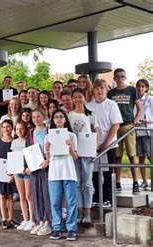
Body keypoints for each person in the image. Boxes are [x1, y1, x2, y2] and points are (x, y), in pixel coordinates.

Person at [86, 79, 122, 207]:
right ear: (93, 90)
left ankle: (108, 198)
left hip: (109, 145)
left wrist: (106, 143)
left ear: (106, 89)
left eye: (101, 88)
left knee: (107, 172)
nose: (99, 90)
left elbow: (116, 124)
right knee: (94, 172)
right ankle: (97, 197)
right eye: (96, 88)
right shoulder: (89, 106)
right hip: (93, 145)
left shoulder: (111, 104)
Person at [45, 109, 79, 241]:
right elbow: (47, 159)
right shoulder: (48, 136)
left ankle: (71, 229)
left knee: (71, 202)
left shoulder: (71, 136)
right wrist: (47, 149)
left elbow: (75, 157)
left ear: (65, 119)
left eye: (61, 117)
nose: (59, 119)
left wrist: (70, 147)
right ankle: (57, 228)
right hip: (54, 173)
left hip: (69, 172)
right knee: (55, 202)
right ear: (53, 120)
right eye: (56, 117)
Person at [107, 68, 142, 194]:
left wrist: (135, 122)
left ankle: (136, 182)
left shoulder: (132, 90)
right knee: (118, 156)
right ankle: (117, 182)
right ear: (114, 78)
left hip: (128, 125)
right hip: (115, 126)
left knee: (132, 155)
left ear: (125, 77)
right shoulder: (111, 93)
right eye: (117, 77)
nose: (120, 79)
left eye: (122, 76)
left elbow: (139, 108)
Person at [68, 88, 98, 223]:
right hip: (74, 152)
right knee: (77, 182)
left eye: (80, 97)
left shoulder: (90, 115)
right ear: (72, 99)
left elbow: (96, 132)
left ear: (84, 97)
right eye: (75, 97)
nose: (78, 100)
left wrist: (94, 149)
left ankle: (88, 212)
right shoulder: (69, 115)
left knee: (87, 182)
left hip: (87, 153)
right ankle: (79, 211)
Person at [26, 110, 52, 236]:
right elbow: (27, 150)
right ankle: (40, 221)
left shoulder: (49, 131)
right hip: (34, 166)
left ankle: (48, 222)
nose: (36, 119)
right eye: (34, 117)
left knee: (46, 193)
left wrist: (49, 160)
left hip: (46, 164)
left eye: (38, 116)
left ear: (44, 117)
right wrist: (27, 166)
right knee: (36, 193)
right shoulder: (31, 132)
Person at [0, 119, 19, 229]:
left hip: (11, 171)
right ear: (1, 128)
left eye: (8, 127)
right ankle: (4, 219)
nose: (6, 129)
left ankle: (11, 218)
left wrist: (14, 174)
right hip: (0, 170)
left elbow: (16, 158)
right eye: (4, 127)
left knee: (10, 195)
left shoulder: (15, 141)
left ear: (12, 128)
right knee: (2, 195)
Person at [11, 121, 35, 231]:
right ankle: (25, 220)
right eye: (17, 129)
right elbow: (13, 157)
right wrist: (11, 169)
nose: (19, 131)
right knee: (21, 196)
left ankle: (32, 220)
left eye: (21, 129)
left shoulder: (29, 141)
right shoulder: (14, 142)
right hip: (18, 171)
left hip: (27, 171)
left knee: (29, 196)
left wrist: (29, 167)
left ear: (24, 129)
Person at [135, 79, 152, 190]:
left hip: (148, 131)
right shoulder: (135, 99)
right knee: (141, 157)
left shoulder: (150, 99)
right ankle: (145, 181)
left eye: (142, 86)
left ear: (146, 88)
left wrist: (147, 120)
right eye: (138, 86)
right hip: (137, 132)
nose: (140, 88)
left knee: (150, 156)